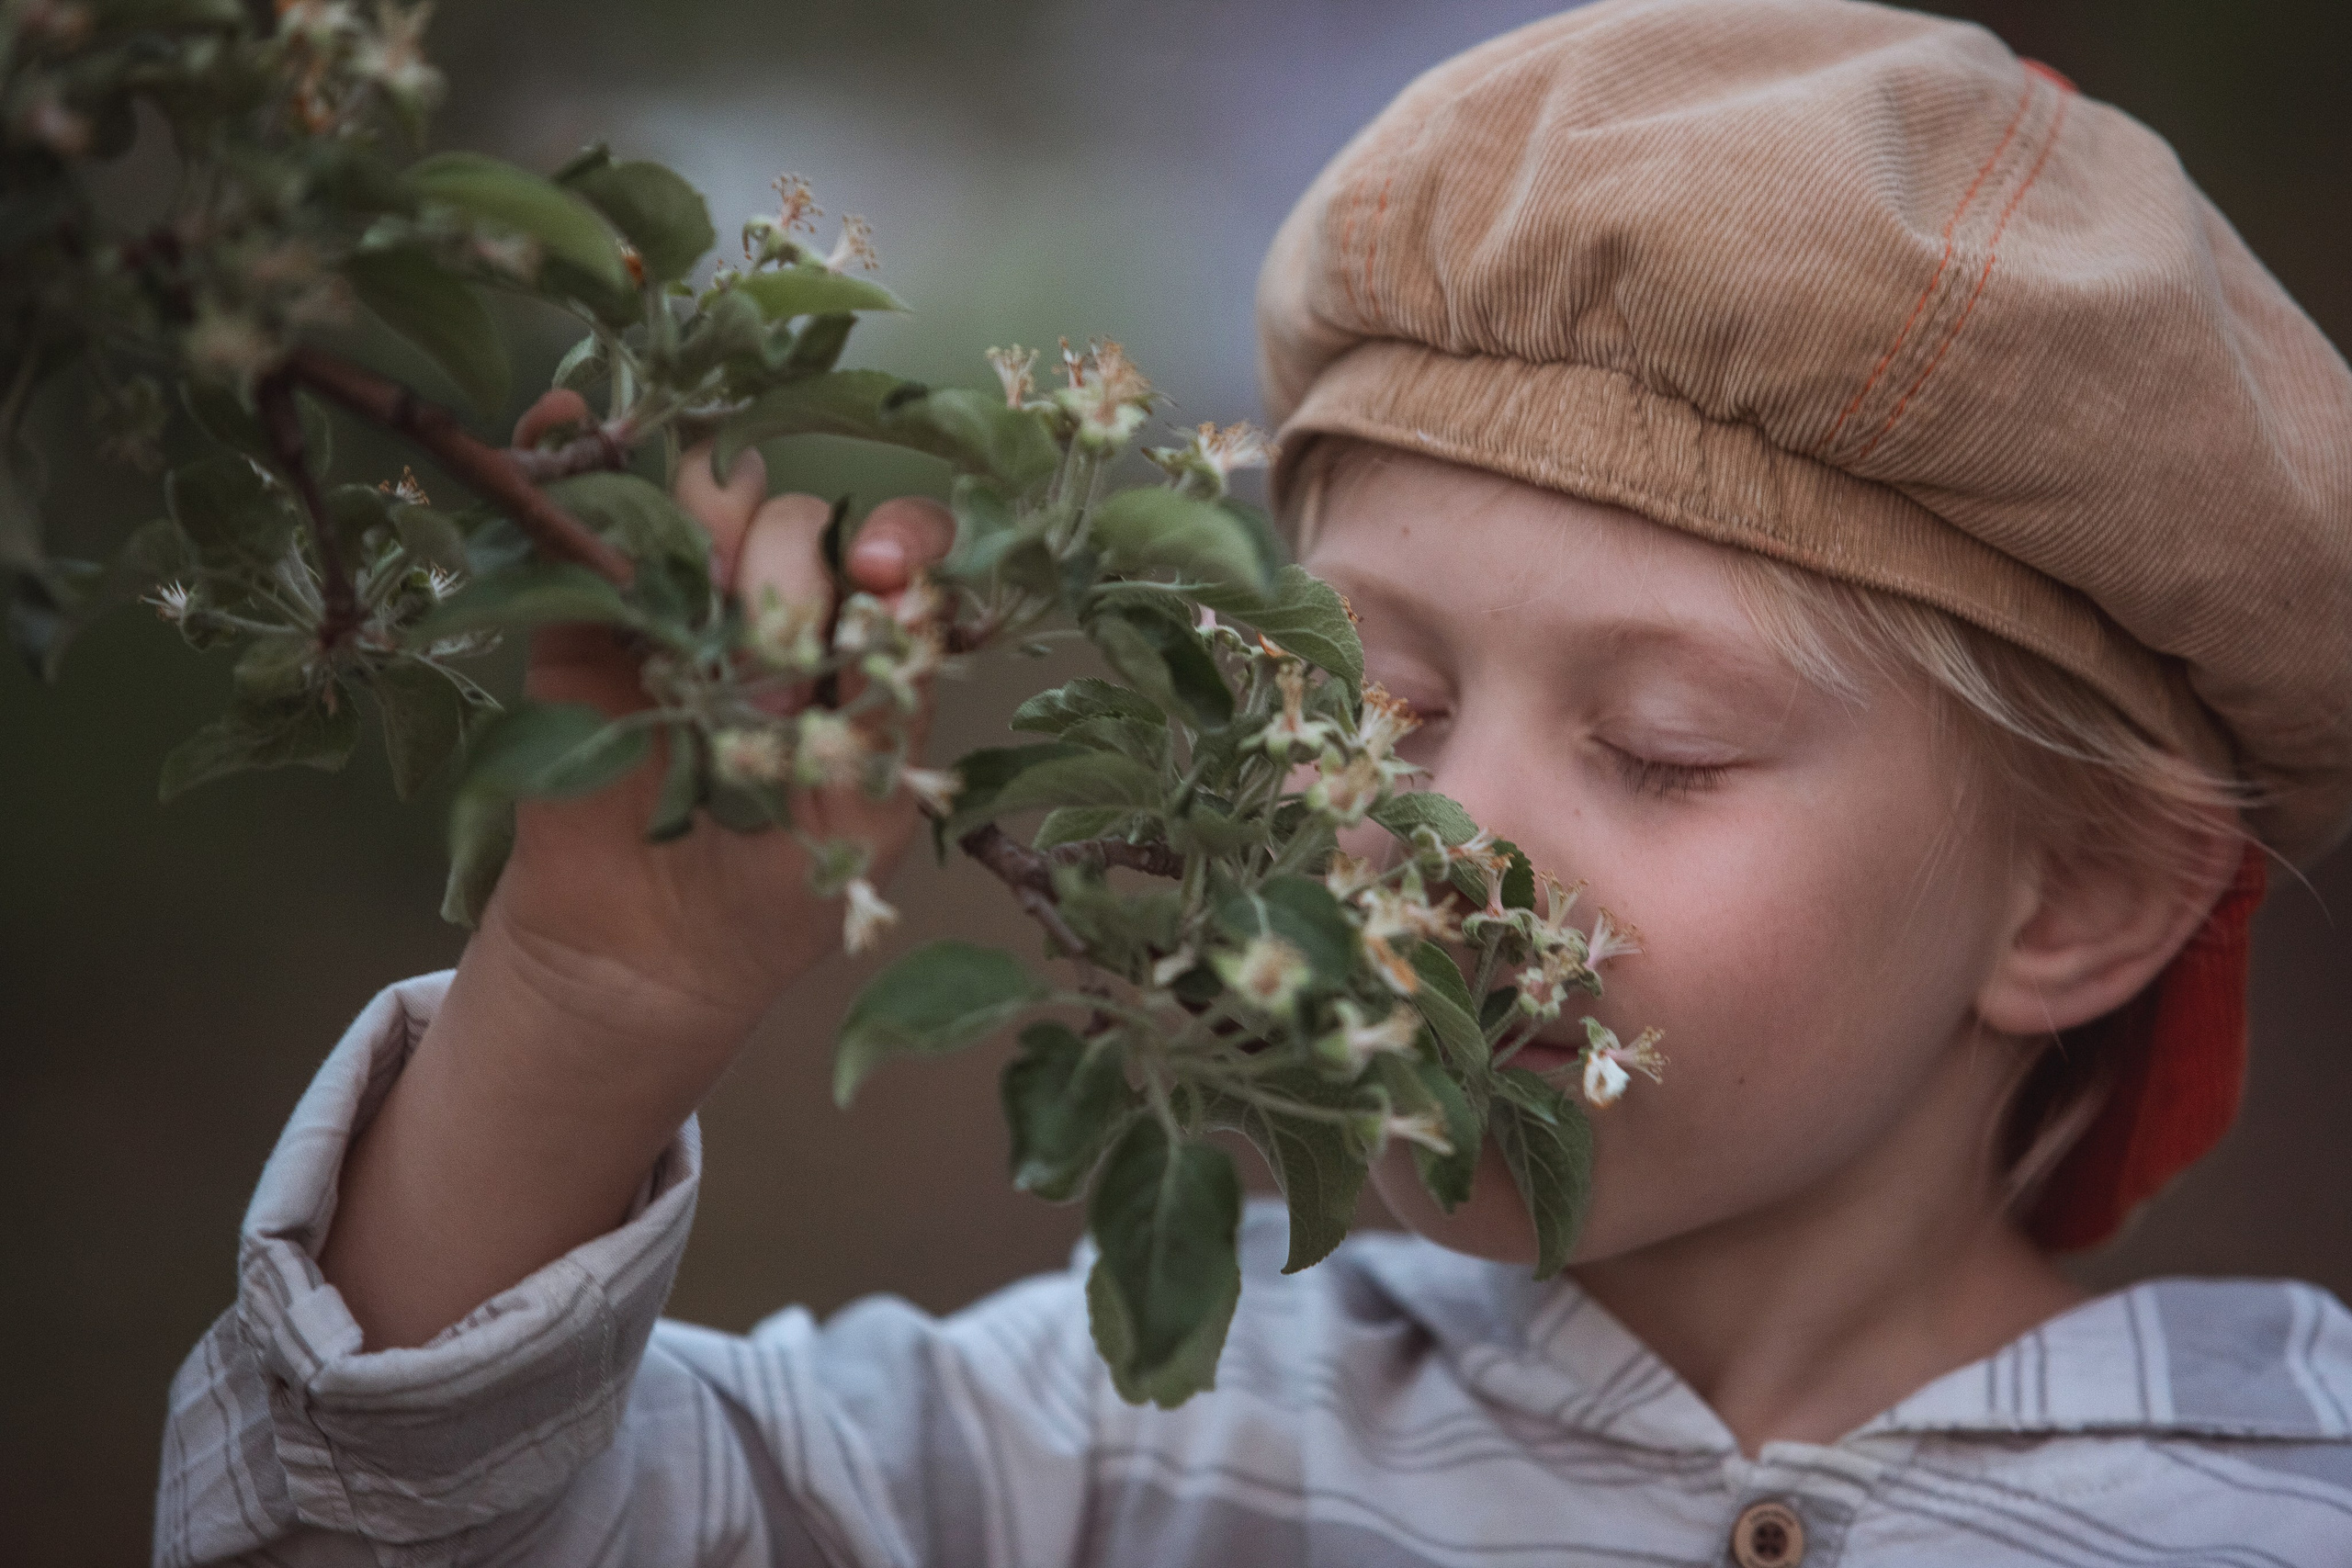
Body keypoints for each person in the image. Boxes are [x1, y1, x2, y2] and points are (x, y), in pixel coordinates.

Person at [155, 1, 2352, 1562]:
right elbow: (377, 1531)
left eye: (1658, 747)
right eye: (1367, 703)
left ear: (2072, 896)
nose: (1418, 834)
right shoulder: (1111, 1433)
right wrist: (587, 1005)